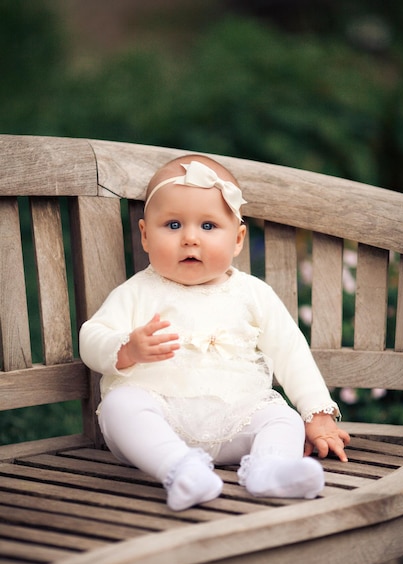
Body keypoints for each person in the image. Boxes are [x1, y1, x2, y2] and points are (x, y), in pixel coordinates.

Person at [79, 154, 350, 511]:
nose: (190, 239)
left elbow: (290, 351)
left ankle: (271, 469)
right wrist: (127, 349)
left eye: (208, 226)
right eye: (173, 225)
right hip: (160, 422)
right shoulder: (138, 292)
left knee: (280, 416)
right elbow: (92, 335)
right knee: (118, 407)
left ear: (237, 240)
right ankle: (181, 470)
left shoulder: (252, 293)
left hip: (237, 418)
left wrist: (317, 415)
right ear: (145, 235)